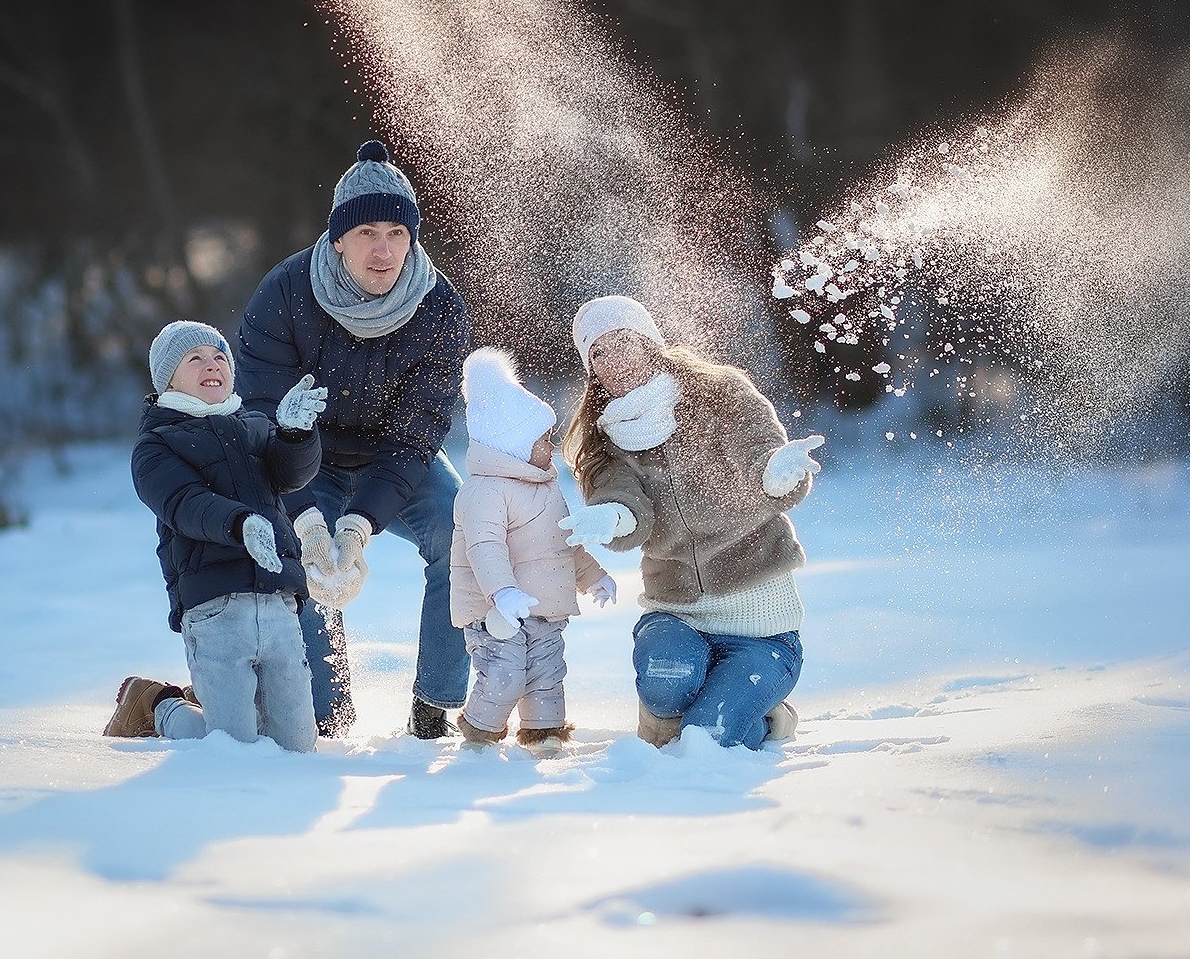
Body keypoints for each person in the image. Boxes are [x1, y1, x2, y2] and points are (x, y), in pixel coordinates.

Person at [236, 140, 471, 739]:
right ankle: (328, 715)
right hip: (304, 458)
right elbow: (264, 418)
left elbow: (420, 431)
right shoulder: (285, 295)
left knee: (461, 527)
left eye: (398, 231)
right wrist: (313, 522)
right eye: (368, 232)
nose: (384, 248)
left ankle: (435, 705)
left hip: (396, 459)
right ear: (338, 239)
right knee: (305, 558)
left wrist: (361, 523)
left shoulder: (439, 307)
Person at [558, 296, 821, 750]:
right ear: (591, 371)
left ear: (649, 344)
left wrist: (779, 473)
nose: (613, 359)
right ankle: (676, 710)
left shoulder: (720, 394)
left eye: (623, 342)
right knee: (665, 680)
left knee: (706, 737)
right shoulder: (605, 437)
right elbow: (625, 501)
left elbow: (771, 463)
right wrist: (615, 515)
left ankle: (765, 718)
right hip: (676, 616)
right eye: (597, 353)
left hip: (763, 634)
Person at [102, 320, 329, 752]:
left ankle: (210, 696)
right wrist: (239, 522)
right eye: (196, 358)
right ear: (169, 378)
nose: (212, 364)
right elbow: (183, 504)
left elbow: (292, 474)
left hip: (278, 600)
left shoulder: (256, 426)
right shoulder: (156, 445)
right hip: (214, 606)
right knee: (230, 745)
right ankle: (157, 706)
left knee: (297, 745)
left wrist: (296, 434)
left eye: (220, 356)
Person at [450, 348, 617, 756]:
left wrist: (594, 576)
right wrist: (502, 593)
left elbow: (563, 543)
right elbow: (483, 548)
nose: (553, 444)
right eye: (542, 438)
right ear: (513, 444)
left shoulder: (545, 486)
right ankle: (480, 733)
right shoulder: (485, 491)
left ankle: (544, 736)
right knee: (504, 674)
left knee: (546, 673)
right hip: (497, 611)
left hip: (544, 607)